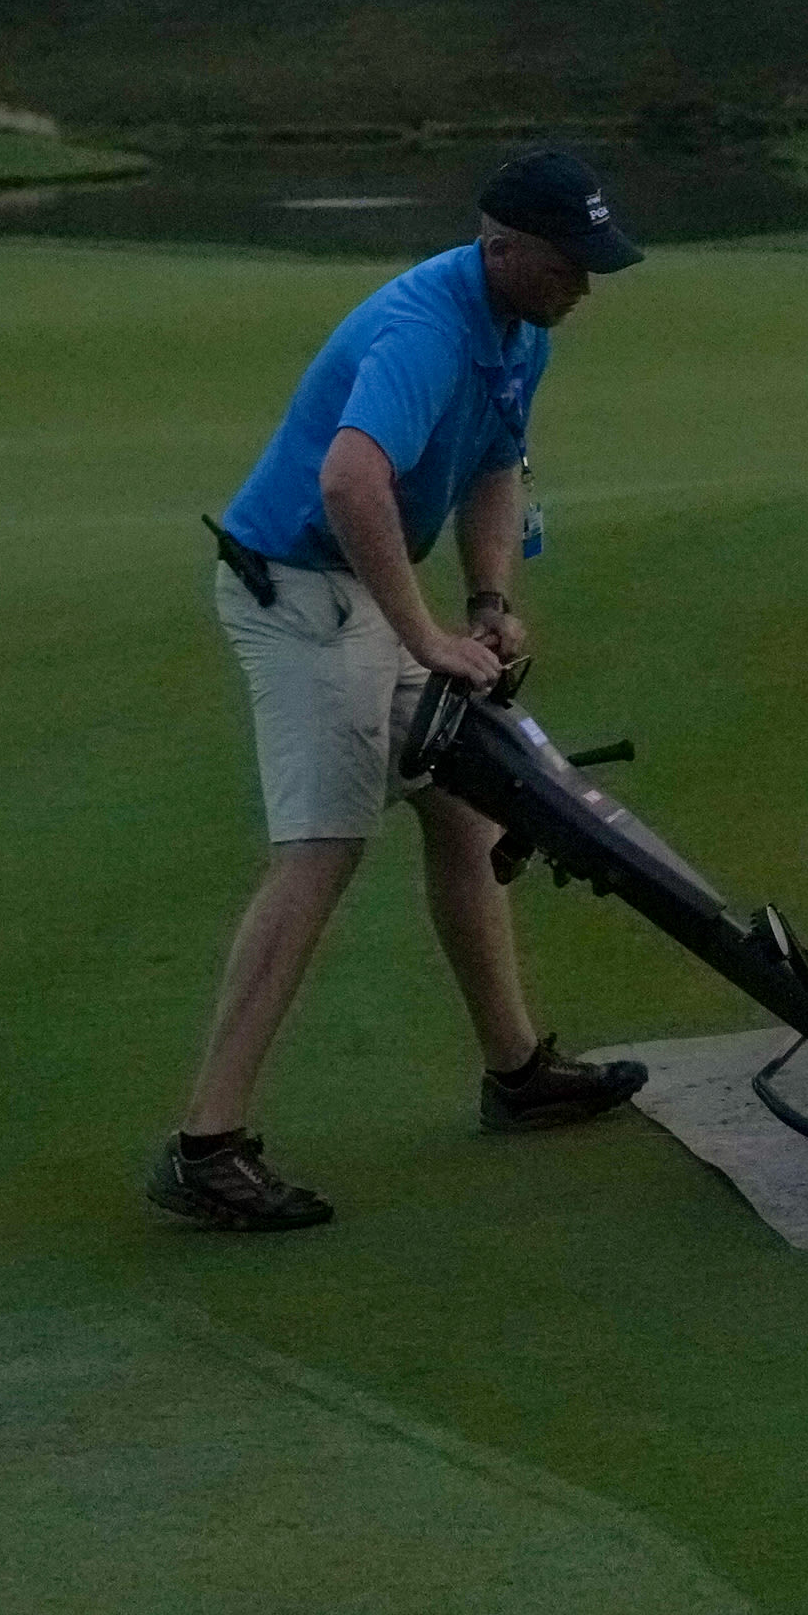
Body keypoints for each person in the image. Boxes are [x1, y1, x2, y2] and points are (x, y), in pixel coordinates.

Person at [148, 147, 654, 1233]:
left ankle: (516, 1069)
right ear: (502, 247)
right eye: (568, 263)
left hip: (350, 589)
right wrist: (424, 634)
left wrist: (486, 598)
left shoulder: (519, 329)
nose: (583, 284)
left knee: (468, 806)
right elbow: (347, 479)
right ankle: (206, 1143)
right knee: (320, 850)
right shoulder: (426, 328)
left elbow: (491, 464)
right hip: (294, 590)